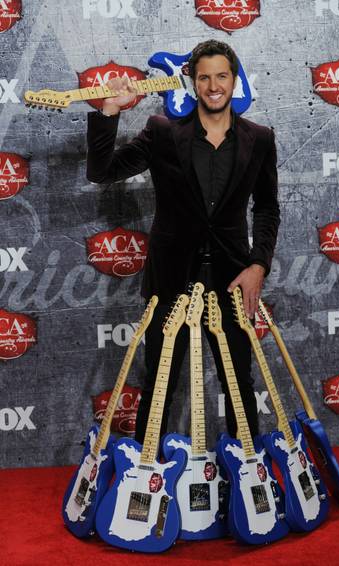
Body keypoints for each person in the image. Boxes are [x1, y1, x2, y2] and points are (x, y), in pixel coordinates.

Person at [87, 40, 280, 444]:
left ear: (234, 79)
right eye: (204, 76)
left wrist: (258, 265)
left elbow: (266, 209)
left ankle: (247, 477)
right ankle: (145, 479)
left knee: (238, 382)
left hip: (232, 278)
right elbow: (102, 172)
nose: (213, 85)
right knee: (160, 382)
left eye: (222, 76)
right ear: (192, 81)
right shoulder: (162, 132)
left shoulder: (260, 138)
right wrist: (109, 112)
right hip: (171, 278)